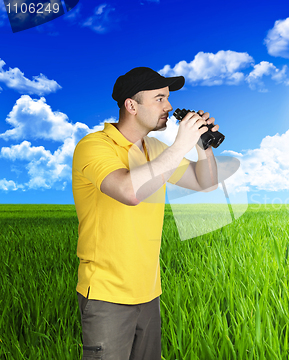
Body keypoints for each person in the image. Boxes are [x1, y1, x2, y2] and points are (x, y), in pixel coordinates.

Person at [72, 67, 219, 360]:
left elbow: (206, 182)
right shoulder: (93, 146)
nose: (169, 107)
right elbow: (129, 192)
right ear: (131, 105)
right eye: (160, 99)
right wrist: (180, 146)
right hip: (106, 294)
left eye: (168, 98)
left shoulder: (154, 148)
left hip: (149, 292)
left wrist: (203, 146)